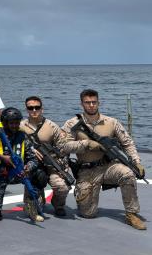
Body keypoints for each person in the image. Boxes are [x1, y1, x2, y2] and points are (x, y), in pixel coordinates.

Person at [61, 89, 146, 230]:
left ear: (99, 102)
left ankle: (131, 214)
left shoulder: (111, 122)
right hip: (86, 170)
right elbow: (63, 146)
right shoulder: (72, 124)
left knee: (127, 173)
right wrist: (86, 144)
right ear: (82, 104)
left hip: (109, 167)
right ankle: (85, 194)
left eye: (94, 102)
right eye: (87, 102)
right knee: (88, 214)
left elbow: (127, 143)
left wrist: (136, 162)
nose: (91, 105)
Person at [0, 108, 41, 222]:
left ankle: (32, 207)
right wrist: (0, 157)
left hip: (17, 172)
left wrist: (28, 167)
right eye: (11, 123)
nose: (15, 126)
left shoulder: (22, 136)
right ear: (5, 123)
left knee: (39, 176)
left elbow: (33, 158)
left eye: (17, 123)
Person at [21, 96, 73, 217]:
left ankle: (58, 204)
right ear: (27, 109)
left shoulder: (52, 126)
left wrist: (63, 165)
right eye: (30, 108)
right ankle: (35, 201)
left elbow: (62, 148)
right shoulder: (20, 126)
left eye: (37, 107)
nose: (34, 110)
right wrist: (31, 150)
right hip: (32, 166)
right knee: (35, 210)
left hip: (50, 165)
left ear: (42, 109)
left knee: (63, 187)